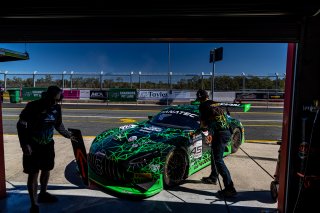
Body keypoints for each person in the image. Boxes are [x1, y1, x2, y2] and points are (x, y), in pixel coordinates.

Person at [17, 85, 75, 213]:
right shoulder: (32, 106)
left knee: (46, 169)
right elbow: (21, 124)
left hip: (48, 145)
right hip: (32, 145)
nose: (54, 103)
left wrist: (68, 135)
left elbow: (58, 124)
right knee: (33, 173)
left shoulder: (57, 108)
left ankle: (43, 193)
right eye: (53, 100)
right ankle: (34, 203)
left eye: (57, 100)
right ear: (47, 96)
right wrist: (24, 144)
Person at [196, 89, 237, 198]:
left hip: (220, 134)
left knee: (218, 160)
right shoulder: (215, 103)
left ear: (200, 98)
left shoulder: (203, 106)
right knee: (215, 156)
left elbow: (203, 124)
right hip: (226, 131)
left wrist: (204, 133)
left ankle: (230, 188)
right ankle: (213, 177)